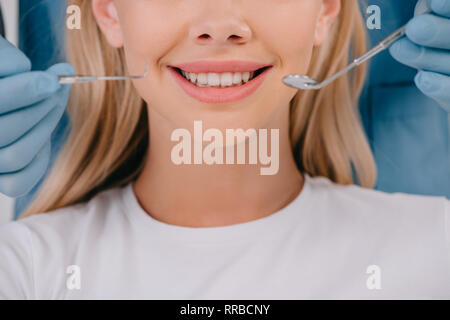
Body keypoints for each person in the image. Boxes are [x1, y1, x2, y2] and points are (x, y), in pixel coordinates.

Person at [0, 0, 449, 300]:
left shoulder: (436, 251)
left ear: (325, 11)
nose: (220, 27)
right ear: (110, 13)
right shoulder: (26, 269)